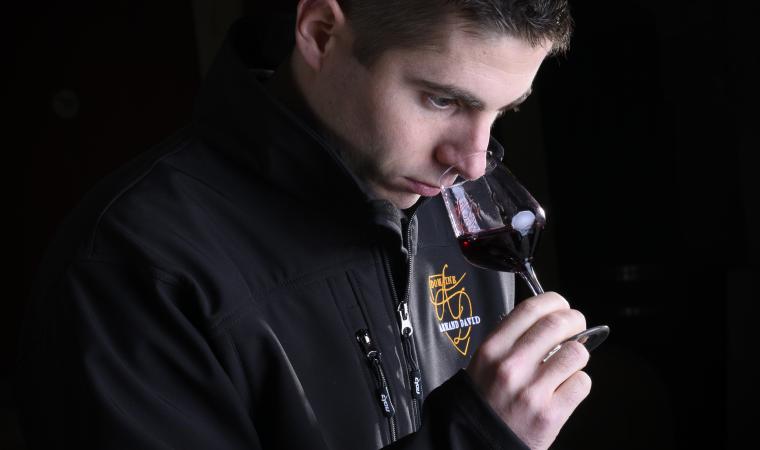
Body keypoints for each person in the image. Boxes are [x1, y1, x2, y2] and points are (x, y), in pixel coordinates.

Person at [15, 0, 592, 449]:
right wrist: (478, 439)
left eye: (503, 110)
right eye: (442, 101)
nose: (472, 162)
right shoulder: (134, 265)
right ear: (320, 33)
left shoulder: (455, 208)